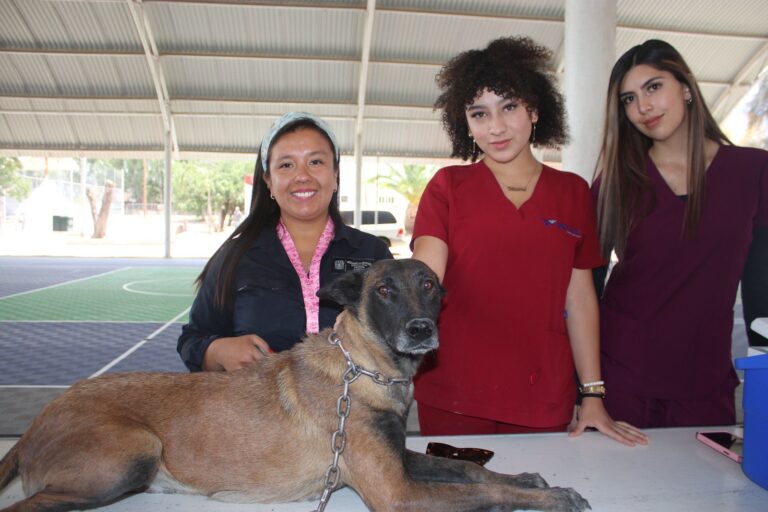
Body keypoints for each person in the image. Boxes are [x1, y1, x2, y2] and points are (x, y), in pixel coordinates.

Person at [411, 36, 647, 446]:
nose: (496, 127)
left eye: (509, 107)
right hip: (454, 393)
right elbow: (423, 276)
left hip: (543, 394)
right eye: (479, 113)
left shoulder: (572, 193)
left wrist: (592, 392)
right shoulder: (447, 187)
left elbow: (581, 298)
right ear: (464, 122)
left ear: (534, 110)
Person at [593, 39, 768, 428]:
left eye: (654, 87)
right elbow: (588, 285)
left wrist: (764, 371)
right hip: (623, 373)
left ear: (686, 87)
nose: (643, 107)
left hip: (706, 380)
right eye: (628, 99)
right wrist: (585, 389)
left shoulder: (753, 171)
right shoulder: (615, 182)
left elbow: (761, 284)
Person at [178, 112, 392, 372]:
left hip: (357, 411)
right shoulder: (237, 255)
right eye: (286, 165)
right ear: (268, 181)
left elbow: (401, 330)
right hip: (258, 411)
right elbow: (192, 339)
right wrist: (219, 350)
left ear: (335, 174)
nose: (302, 176)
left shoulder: (373, 253)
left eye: (315, 161)